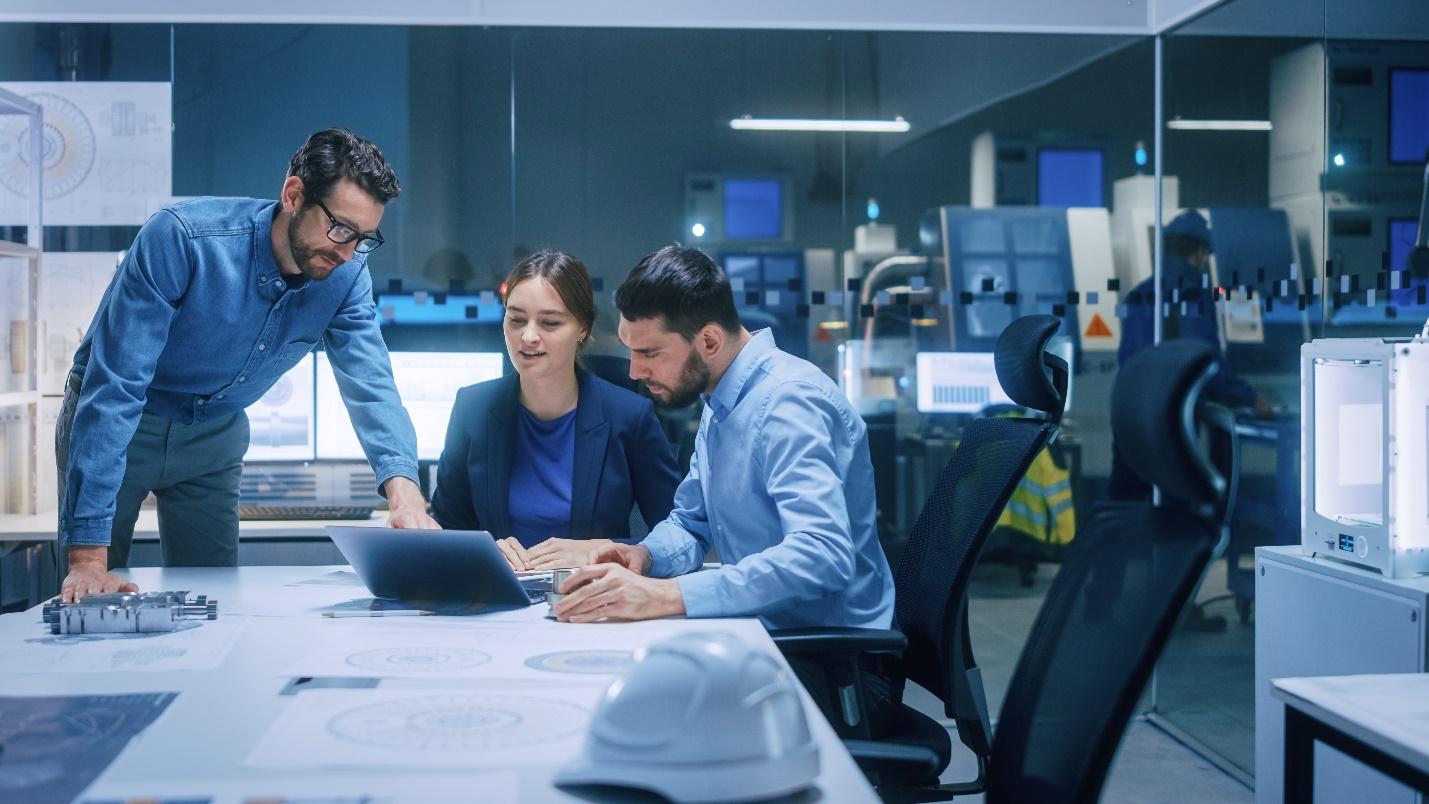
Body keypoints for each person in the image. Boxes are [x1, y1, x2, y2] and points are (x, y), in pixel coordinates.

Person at [57, 128, 437, 603]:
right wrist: (88, 560)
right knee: (90, 593)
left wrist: (405, 495)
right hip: (124, 420)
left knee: (209, 599)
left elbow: (371, 383)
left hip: (214, 432)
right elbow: (116, 387)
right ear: (294, 194)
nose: (346, 252)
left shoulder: (346, 276)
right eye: (340, 229)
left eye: (363, 239)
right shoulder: (184, 238)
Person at [552, 245, 898, 735]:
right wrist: (642, 559)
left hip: (837, 669)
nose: (633, 371)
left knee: (649, 717)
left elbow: (823, 554)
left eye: (649, 352)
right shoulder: (723, 400)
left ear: (709, 341)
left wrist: (670, 595)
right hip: (772, 640)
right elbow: (689, 521)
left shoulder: (786, 405)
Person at [430, 250, 680, 571]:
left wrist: (607, 549)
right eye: (516, 320)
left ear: (583, 329)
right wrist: (484, 550)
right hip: (498, 601)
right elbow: (448, 530)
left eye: (550, 323)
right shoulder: (473, 408)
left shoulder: (629, 416)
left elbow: (678, 534)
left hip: (595, 598)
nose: (529, 336)